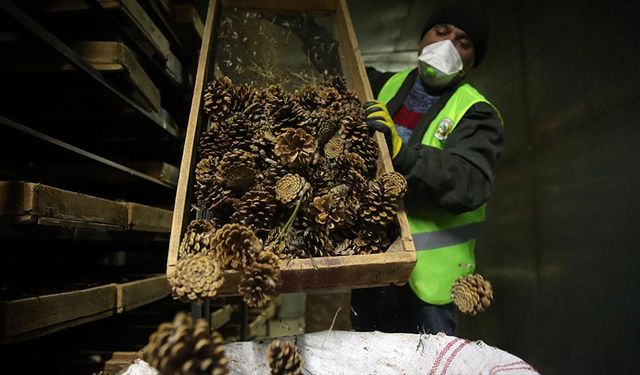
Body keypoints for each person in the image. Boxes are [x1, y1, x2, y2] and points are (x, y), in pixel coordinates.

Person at [350, 1, 504, 335]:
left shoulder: (477, 113)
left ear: (472, 60)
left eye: (463, 42)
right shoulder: (383, 85)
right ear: (423, 38)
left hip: (427, 289)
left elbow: (469, 182)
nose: (448, 44)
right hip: (375, 266)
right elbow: (338, 54)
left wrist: (402, 154)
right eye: (442, 31)